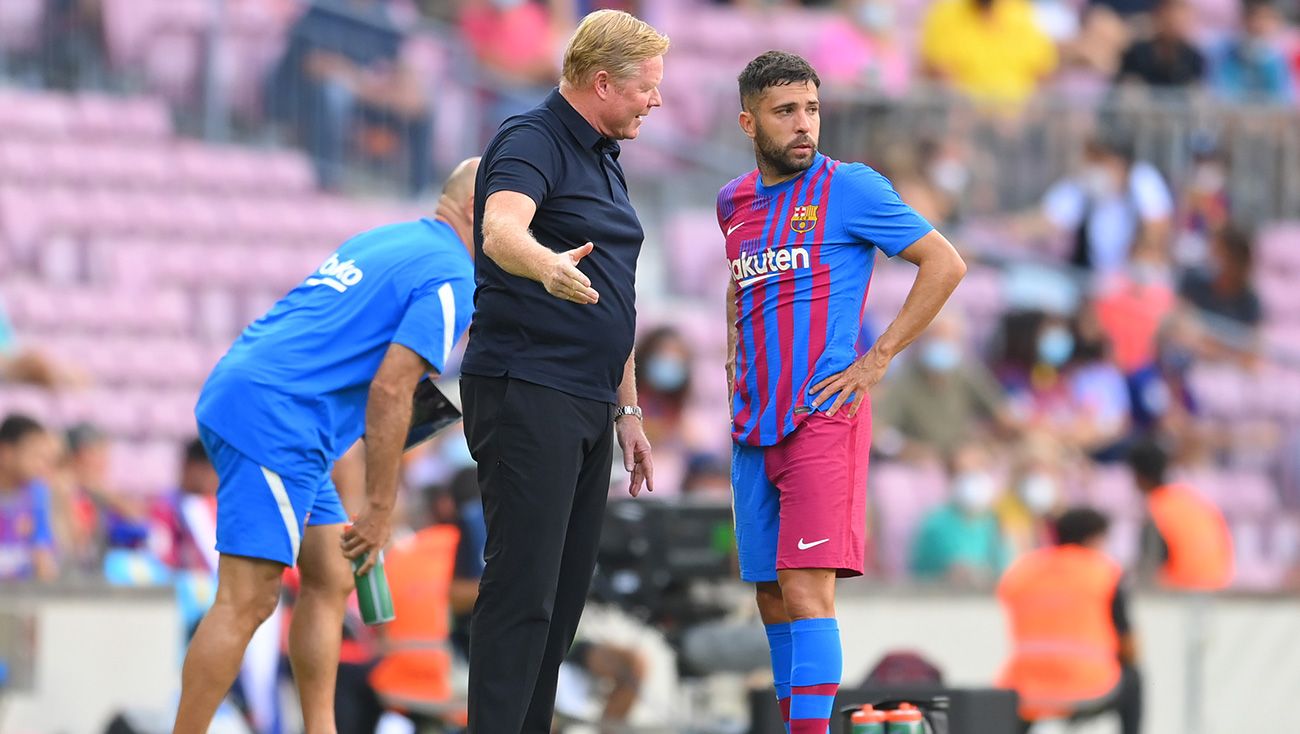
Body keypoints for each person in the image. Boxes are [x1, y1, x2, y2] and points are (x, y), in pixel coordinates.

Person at [171, 158, 480, 734]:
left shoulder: (391, 238)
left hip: (277, 407)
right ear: (474, 209)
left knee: (330, 576)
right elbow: (391, 388)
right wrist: (382, 509)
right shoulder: (454, 276)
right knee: (249, 600)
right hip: (277, 417)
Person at [719, 51, 966, 733]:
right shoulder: (732, 203)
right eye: (785, 111)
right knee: (769, 593)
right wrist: (733, 362)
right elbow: (740, 287)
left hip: (821, 417)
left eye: (812, 109)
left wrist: (877, 357)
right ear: (749, 121)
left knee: (804, 588)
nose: (804, 125)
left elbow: (944, 263)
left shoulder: (850, 188)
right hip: (751, 424)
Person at [458, 10, 667, 733]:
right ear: (602, 82)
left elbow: (617, 299)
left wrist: (629, 410)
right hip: (528, 385)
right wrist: (546, 266)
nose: (656, 101)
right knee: (523, 593)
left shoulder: (606, 161)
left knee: (563, 603)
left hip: (584, 397)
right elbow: (500, 229)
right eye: (647, 87)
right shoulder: (530, 138)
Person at [998, 507, 1142, 734]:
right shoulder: (1104, 572)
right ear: (1093, 539)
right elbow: (1129, 643)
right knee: (1134, 679)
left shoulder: (1024, 571)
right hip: (1087, 685)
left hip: (1026, 689)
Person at [1127, 437, 1233, 589]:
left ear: (1137, 476)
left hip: (1178, 590)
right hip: (1218, 584)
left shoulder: (1156, 508)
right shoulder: (1193, 500)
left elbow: (1149, 562)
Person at [909, 441, 1011, 584]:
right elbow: (924, 572)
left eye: (979, 468)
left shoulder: (996, 522)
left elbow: (1006, 569)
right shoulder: (935, 524)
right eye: (963, 471)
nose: (973, 477)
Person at [0, 414, 59, 582]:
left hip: (22, 600)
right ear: (6, 453)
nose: (42, 464)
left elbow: (44, 556)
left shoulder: (37, 495)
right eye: (36, 455)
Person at [1210, 0, 1295, 105]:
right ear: (1245, 20)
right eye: (1255, 18)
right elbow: (1220, 90)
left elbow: (1283, 97)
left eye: (1265, 19)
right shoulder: (1226, 53)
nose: (1259, 25)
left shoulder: (1276, 58)